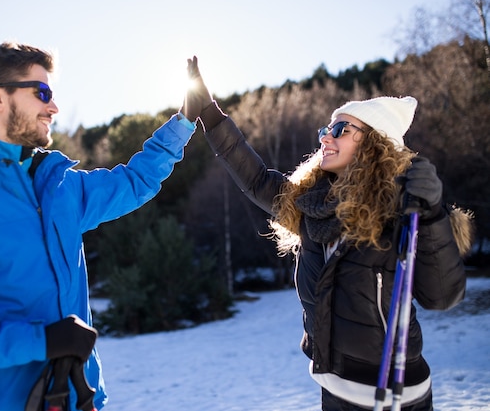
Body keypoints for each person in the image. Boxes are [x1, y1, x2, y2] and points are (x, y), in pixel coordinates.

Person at [0, 42, 198, 410]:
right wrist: (37, 341)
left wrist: (183, 121)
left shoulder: (60, 188)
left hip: (80, 400)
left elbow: (134, 180)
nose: (53, 107)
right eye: (41, 93)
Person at [184, 57, 474, 410]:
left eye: (340, 130)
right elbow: (257, 179)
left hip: (395, 398)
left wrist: (431, 215)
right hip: (333, 392)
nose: (326, 138)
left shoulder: (402, 209)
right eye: (326, 130)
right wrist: (211, 116)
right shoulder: (311, 207)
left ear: (374, 145)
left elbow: (442, 296)